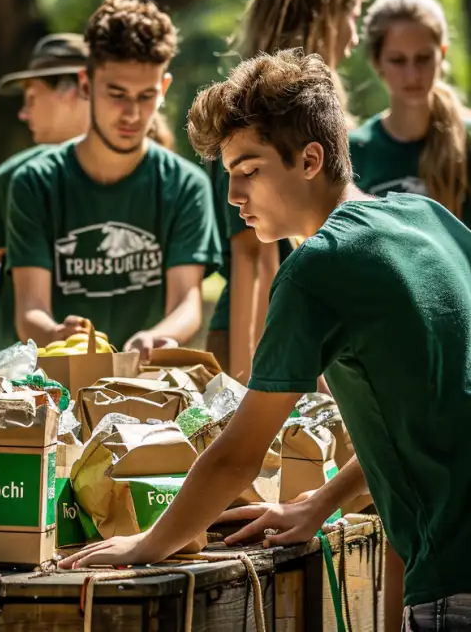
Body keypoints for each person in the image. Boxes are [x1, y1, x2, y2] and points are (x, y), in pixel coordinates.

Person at [60, 49, 471, 629]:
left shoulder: (318, 268)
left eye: (249, 170)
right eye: (228, 174)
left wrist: (146, 545)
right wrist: (321, 501)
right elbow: (429, 417)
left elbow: (236, 456)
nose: (233, 196)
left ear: (309, 160)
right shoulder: (428, 219)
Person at [6, 0, 221, 356]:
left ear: (164, 89)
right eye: (117, 94)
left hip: (145, 382)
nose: (132, 115)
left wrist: (155, 337)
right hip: (58, 378)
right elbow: (30, 310)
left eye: (146, 96)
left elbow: (188, 303)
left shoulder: (185, 185)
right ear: (87, 85)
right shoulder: (35, 181)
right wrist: (58, 333)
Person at [207, 0, 365, 380]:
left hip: (312, 341)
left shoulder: (316, 104)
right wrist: (245, 384)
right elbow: (252, 260)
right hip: (256, 344)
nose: (355, 34)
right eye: (351, 14)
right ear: (322, 14)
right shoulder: (253, 117)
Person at [0, 34, 90, 367]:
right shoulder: (16, 177)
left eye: (32, 97)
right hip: (22, 402)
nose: (24, 114)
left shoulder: (153, 176)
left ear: (76, 89)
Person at [350, 0, 471, 225]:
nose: (412, 74)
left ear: (442, 54)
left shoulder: (466, 139)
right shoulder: (354, 152)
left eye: (423, 58)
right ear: (377, 62)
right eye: (398, 60)